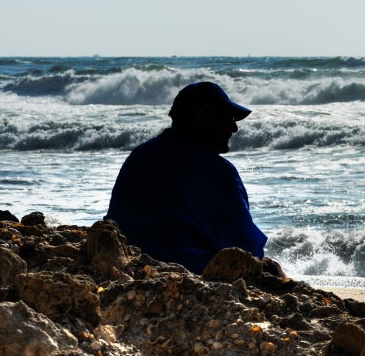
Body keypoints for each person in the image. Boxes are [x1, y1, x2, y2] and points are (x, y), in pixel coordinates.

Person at [106, 81, 276, 275]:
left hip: (135, 268)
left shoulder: (140, 156)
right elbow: (245, 248)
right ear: (202, 118)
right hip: (192, 275)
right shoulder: (219, 172)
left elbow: (116, 225)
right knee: (271, 268)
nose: (234, 128)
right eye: (228, 118)